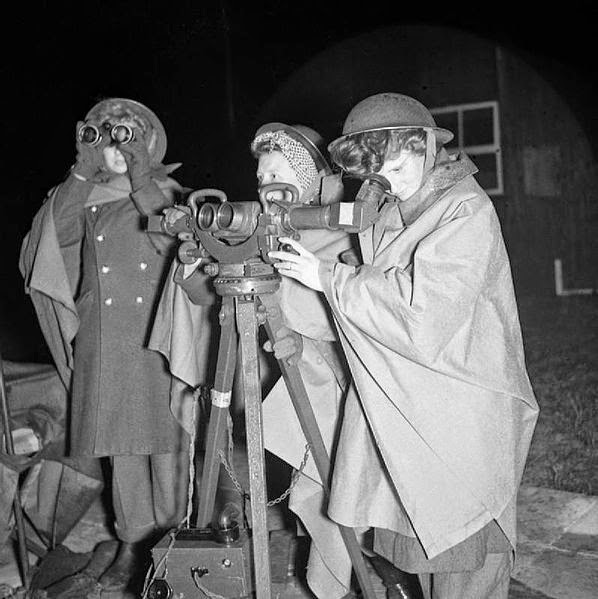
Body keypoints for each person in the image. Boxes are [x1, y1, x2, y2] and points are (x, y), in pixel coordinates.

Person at [269, 93, 539, 599]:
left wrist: (329, 276)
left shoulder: (464, 210)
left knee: (464, 560)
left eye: (396, 164)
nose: (388, 181)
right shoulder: (394, 209)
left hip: (460, 413)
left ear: (425, 148)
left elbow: (424, 317)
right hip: (412, 412)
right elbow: (356, 296)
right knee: (425, 554)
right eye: (377, 172)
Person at [19, 98, 190, 592]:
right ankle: (133, 541)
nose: (116, 143)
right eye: (106, 134)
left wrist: (138, 176)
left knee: (167, 443)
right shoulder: (84, 195)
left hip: (156, 335)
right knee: (122, 450)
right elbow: (49, 244)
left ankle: (176, 534)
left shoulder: (165, 191)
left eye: (127, 135)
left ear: (148, 144)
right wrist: (82, 171)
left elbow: (170, 237)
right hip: (104, 338)